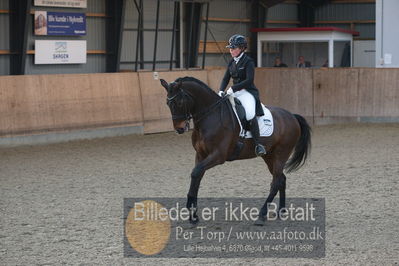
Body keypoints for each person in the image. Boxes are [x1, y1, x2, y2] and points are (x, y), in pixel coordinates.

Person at [218, 34, 267, 156]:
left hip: (248, 92)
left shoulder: (248, 61)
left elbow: (249, 80)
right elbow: (225, 78)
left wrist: (233, 88)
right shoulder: (231, 62)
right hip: (234, 92)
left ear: (242, 48)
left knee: (250, 114)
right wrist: (221, 90)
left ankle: (258, 144)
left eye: (234, 48)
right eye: (230, 48)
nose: (231, 50)